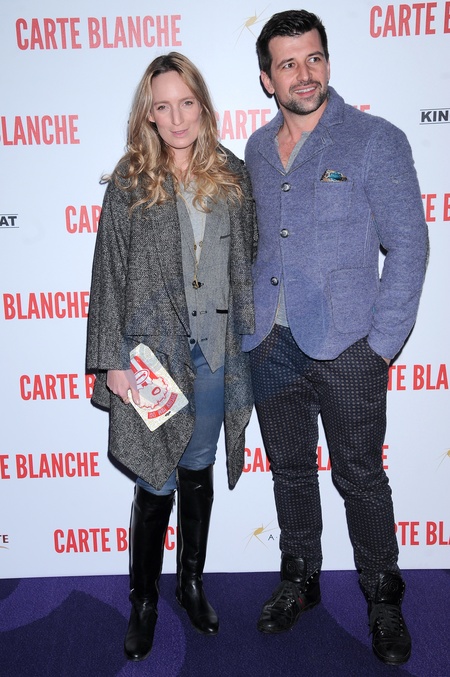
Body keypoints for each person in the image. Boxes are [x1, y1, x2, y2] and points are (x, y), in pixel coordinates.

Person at [242, 10, 428, 667]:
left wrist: (381, 345)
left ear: (328, 62)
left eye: (314, 58)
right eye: (288, 63)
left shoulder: (376, 139)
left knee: (361, 475)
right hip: (271, 343)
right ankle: (301, 577)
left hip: (350, 347)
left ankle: (383, 594)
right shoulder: (255, 151)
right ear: (267, 78)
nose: (304, 74)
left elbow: (409, 246)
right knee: (290, 470)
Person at [86, 52, 256, 662]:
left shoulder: (233, 177)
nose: (177, 117)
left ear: (203, 107)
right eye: (164, 106)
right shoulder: (130, 181)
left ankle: (189, 584)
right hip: (151, 360)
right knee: (156, 479)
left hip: (213, 353)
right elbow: (108, 275)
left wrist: (253, 344)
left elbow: (248, 265)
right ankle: (144, 601)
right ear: (149, 115)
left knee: (197, 468)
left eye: (187, 103)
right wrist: (111, 360)